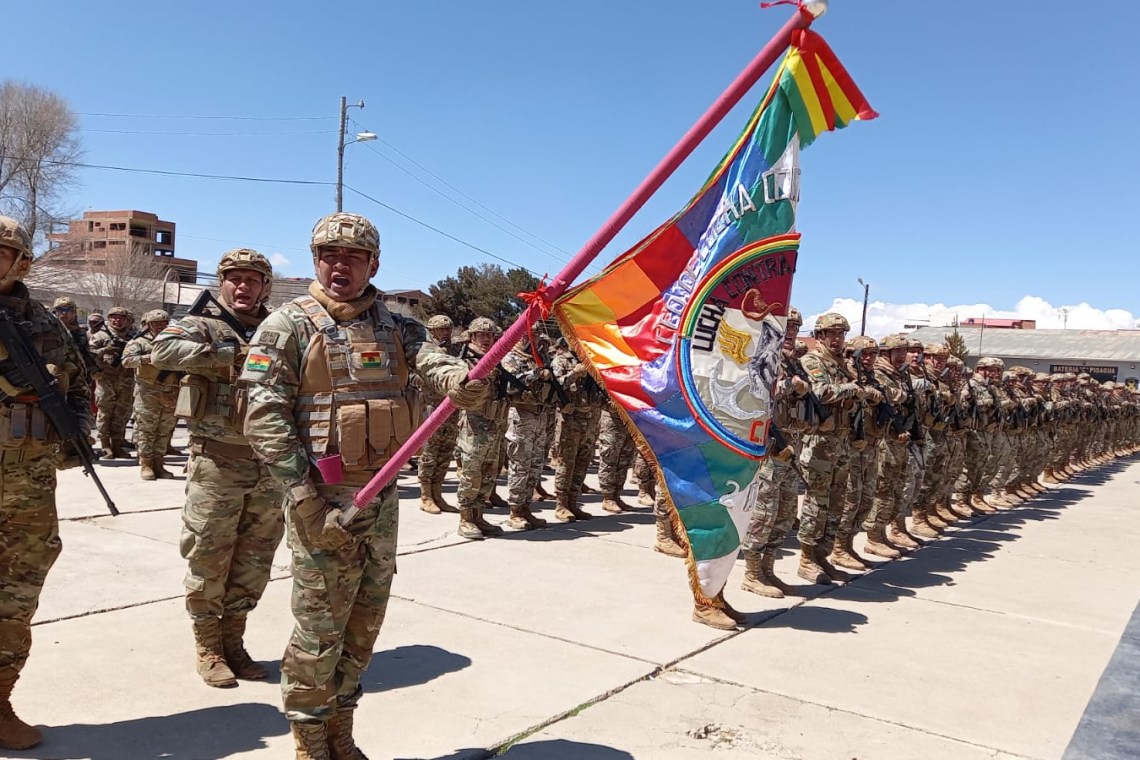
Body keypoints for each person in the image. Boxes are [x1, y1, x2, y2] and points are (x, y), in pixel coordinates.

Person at [241, 212, 482, 759]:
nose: (339, 265)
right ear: (314, 260)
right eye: (328, 255)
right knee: (318, 629)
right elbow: (262, 414)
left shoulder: (398, 327)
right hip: (320, 503)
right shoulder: (287, 326)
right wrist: (301, 497)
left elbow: (434, 363)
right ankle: (308, 740)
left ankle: (340, 733)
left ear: (374, 263)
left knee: (364, 624)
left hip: (381, 501)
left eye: (352, 256)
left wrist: (460, 382)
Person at [151, 249, 284, 690]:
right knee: (209, 556)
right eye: (234, 279)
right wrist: (225, 352)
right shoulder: (201, 323)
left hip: (268, 465)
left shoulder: (277, 327)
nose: (242, 287)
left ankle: (234, 641)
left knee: (254, 559)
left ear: (266, 286)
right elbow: (162, 349)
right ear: (222, 282)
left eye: (252, 280)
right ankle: (208, 647)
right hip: (216, 461)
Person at [0, 216, 92, 749]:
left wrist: (73, 432)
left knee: (14, 603)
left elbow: (80, 385)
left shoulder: (46, 325)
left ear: (21, 262)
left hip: (28, 491)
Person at [740, 307, 810, 597]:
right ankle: (752, 573)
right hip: (769, 449)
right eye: (787, 327)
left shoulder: (794, 363)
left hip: (792, 447)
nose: (792, 332)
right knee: (764, 512)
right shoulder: (761, 357)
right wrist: (785, 385)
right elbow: (750, 393)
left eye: (795, 328)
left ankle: (768, 571)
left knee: (783, 514)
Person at [795, 313, 862, 584]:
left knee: (837, 503)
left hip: (842, 441)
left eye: (841, 334)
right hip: (820, 443)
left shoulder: (842, 364)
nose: (837, 339)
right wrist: (852, 389)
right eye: (831, 334)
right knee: (816, 502)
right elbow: (821, 391)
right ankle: (806, 558)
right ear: (819, 336)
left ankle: (823, 555)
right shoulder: (812, 360)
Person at [453, 317, 510, 540]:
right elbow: (461, 385)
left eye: (490, 335)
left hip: (495, 423)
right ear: (472, 336)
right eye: (481, 335)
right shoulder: (465, 359)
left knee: (489, 472)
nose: (486, 339)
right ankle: (466, 518)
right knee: (471, 472)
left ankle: (479, 515)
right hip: (474, 425)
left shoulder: (496, 359)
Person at [500, 334, 558, 530]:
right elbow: (509, 385)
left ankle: (526, 507)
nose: (529, 339)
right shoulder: (510, 358)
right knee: (520, 465)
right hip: (522, 416)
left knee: (535, 464)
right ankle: (515, 511)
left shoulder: (540, 357)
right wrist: (535, 373)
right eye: (526, 335)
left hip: (540, 416)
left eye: (532, 335)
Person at [121, 309, 180, 480]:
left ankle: (159, 463)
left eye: (164, 323)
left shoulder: (176, 341)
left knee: (164, 429)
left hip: (171, 390)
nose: (160, 326)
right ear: (148, 325)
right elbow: (126, 361)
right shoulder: (139, 342)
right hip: (148, 391)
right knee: (147, 429)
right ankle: (146, 464)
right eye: (156, 324)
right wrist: (151, 358)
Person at [416, 314, 461, 514]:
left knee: (445, 452)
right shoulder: (424, 350)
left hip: (451, 408)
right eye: (442, 329)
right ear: (432, 331)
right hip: (431, 408)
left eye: (448, 329)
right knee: (429, 453)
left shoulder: (457, 351)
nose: (446, 333)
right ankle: (426, 495)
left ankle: (438, 493)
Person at [88, 305, 137, 458]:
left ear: (126, 320)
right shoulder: (101, 336)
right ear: (109, 319)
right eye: (114, 317)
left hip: (126, 380)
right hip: (106, 380)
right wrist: (103, 351)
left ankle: (117, 445)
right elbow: (88, 355)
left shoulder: (132, 338)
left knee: (121, 414)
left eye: (120, 318)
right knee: (105, 414)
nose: (117, 320)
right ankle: (105, 446)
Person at [52, 297, 97, 377]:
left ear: (74, 312)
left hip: (77, 378)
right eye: (60, 310)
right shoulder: (50, 331)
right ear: (55, 312)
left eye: (68, 310)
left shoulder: (80, 333)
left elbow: (85, 355)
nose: (64, 313)